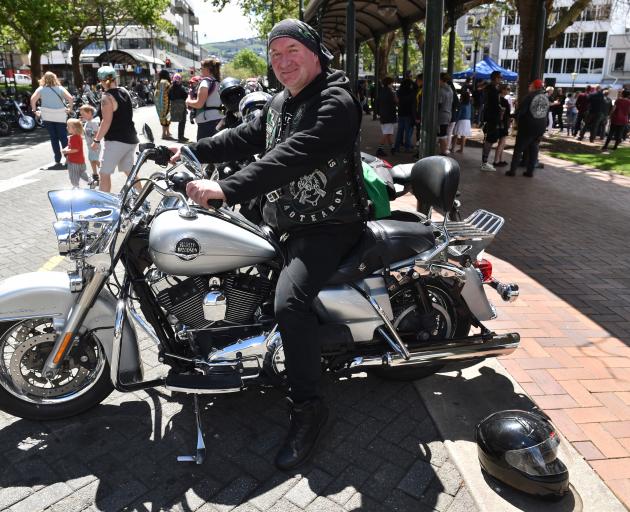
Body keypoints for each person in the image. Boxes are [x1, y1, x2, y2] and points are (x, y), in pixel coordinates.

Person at [173, 18, 368, 471]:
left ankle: (308, 409)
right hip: (284, 220)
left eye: (291, 52)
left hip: (327, 226)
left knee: (289, 304)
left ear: (314, 53)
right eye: (275, 54)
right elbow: (249, 135)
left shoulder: (336, 101)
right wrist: (193, 151)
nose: (282, 62)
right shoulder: (283, 100)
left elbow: (293, 154)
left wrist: (227, 188)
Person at [90, 66, 139, 193]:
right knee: (130, 172)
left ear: (101, 80)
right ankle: (143, 201)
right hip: (131, 138)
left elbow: (106, 122)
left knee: (104, 173)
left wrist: (96, 140)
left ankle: (104, 204)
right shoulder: (124, 91)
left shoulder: (106, 97)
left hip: (116, 140)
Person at [30, 71, 73, 170]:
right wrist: (70, 109)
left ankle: (57, 160)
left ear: (44, 79)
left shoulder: (41, 89)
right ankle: (68, 158)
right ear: (55, 78)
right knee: (63, 137)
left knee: (54, 138)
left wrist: (35, 111)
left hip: (47, 116)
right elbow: (70, 98)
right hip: (60, 116)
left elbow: (33, 99)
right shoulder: (60, 88)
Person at [506, 79, 549, 178]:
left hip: (528, 127)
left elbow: (521, 112)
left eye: (530, 85)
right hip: (540, 127)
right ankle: (530, 172)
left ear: (534, 87)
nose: (529, 87)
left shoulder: (529, 97)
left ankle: (512, 170)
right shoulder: (545, 97)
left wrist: (514, 117)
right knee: (534, 149)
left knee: (518, 149)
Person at [186, 57, 223, 140]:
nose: (200, 70)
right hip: (220, 120)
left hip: (207, 122)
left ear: (207, 69)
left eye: (201, 68)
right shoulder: (219, 82)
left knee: (204, 150)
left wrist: (188, 101)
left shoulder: (205, 82)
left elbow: (199, 104)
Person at [480, 71, 503, 172]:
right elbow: (493, 105)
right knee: (489, 140)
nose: (501, 79)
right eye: (499, 78)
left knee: (489, 140)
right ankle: (484, 163)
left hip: (489, 118)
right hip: (492, 119)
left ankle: (484, 162)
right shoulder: (492, 89)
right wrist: (500, 110)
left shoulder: (489, 88)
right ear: (496, 78)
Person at [62, 118, 92, 187]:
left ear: (74, 128)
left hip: (74, 161)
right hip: (80, 160)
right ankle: (90, 180)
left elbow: (75, 149)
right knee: (82, 173)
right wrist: (66, 148)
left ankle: (76, 187)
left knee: (73, 175)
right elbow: (71, 147)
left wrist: (66, 151)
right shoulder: (77, 137)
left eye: (68, 126)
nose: (67, 127)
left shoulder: (74, 138)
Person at [393, 70, 416, 153]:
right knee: (408, 131)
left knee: (400, 131)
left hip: (401, 111)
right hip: (409, 112)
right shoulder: (413, 85)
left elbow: (397, 97)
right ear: (411, 76)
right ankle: (407, 147)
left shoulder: (402, 85)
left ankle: (397, 147)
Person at [79, 105, 101, 185]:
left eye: (83, 114)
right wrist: (80, 125)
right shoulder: (86, 123)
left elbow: (96, 133)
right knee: (92, 159)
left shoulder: (94, 122)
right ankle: (95, 174)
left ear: (89, 113)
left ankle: (103, 172)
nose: (82, 115)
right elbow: (83, 133)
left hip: (94, 145)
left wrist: (95, 143)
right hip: (89, 145)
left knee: (96, 159)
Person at [376, 76, 397, 156]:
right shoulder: (391, 92)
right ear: (389, 83)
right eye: (392, 82)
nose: (392, 84)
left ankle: (392, 148)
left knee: (388, 133)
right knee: (386, 133)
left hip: (383, 115)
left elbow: (377, 102)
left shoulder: (381, 91)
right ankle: (380, 149)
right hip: (390, 115)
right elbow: (396, 101)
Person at [492, 84, 511, 167]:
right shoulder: (503, 101)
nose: (508, 90)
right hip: (503, 123)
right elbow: (506, 113)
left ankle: (500, 159)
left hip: (499, 123)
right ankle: (496, 160)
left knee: (502, 142)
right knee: (502, 142)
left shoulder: (498, 99)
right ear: (502, 90)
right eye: (507, 89)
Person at [168, 73, 189, 142]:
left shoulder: (171, 87)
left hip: (174, 105)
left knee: (180, 121)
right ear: (179, 79)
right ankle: (181, 137)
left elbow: (169, 96)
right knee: (182, 122)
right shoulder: (181, 87)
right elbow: (185, 95)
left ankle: (180, 136)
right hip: (181, 105)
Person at [437, 72, 453, 155]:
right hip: (447, 114)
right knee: (443, 134)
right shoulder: (450, 89)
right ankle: (443, 152)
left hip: (441, 115)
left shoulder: (441, 90)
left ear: (440, 80)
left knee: (442, 136)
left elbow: (438, 104)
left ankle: (444, 152)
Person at [154, 69, 172, 139]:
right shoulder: (166, 82)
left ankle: (167, 132)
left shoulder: (157, 82)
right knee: (167, 117)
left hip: (159, 104)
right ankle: (164, 134)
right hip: (166, 102)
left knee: (162, 117)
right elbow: (169, 92)